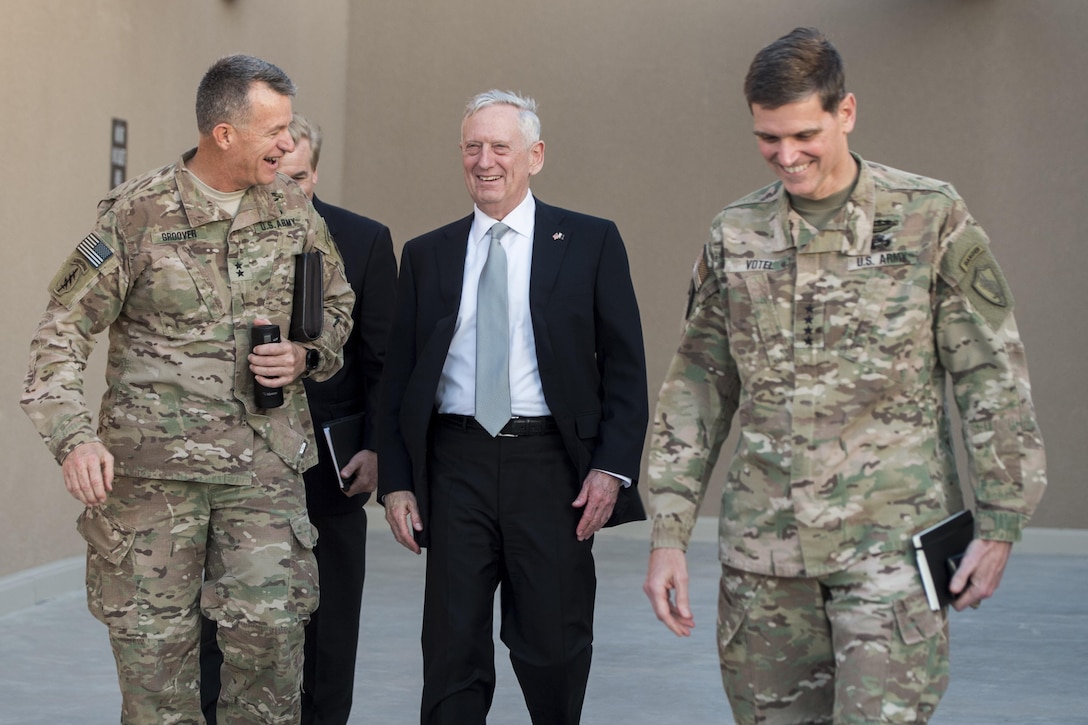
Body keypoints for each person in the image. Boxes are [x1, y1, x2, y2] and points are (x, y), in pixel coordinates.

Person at [642, 27, 1047, 725]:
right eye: (768, 138)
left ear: (845, 112)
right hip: (766, 557)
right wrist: (668, 532)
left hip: (889, 549)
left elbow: (989, 370)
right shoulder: (735, 235)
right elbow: (699, 387)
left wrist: (1002, 517)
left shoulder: (928, 217)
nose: (787, 155)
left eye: (803, 134)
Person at [20, 55, 355, 724]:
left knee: (269, 669)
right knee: (157, 684)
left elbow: (338, 308)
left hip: (263, 480)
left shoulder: (295, 210)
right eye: (276, 130)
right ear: (224, 133)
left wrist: (306, 353)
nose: (289, 144)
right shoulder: (134, 215)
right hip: (151, 491)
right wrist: (74, 440)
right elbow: (58, 337)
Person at [377, 89, 649, 724]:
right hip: (455, 465)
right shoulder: (427, 254)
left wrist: (611, 468)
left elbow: (627, 370)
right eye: (472, 147)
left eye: (500, 147)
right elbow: (397, 381)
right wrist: (396, 482)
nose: (485, 161)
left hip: (551, 467)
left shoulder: (590, 241)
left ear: (536, 155)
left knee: (552, 644)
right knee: (451, 648)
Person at [199, 113, 397, 724]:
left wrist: (377, 449)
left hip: (328, 475)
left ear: (318, 172)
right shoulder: (213, 237)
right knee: (223, 627)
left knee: (329, 635)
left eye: (301, 175)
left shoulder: (362, 241)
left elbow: (385, 360)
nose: (288, 187)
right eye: (277, 171)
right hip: (231, 473)